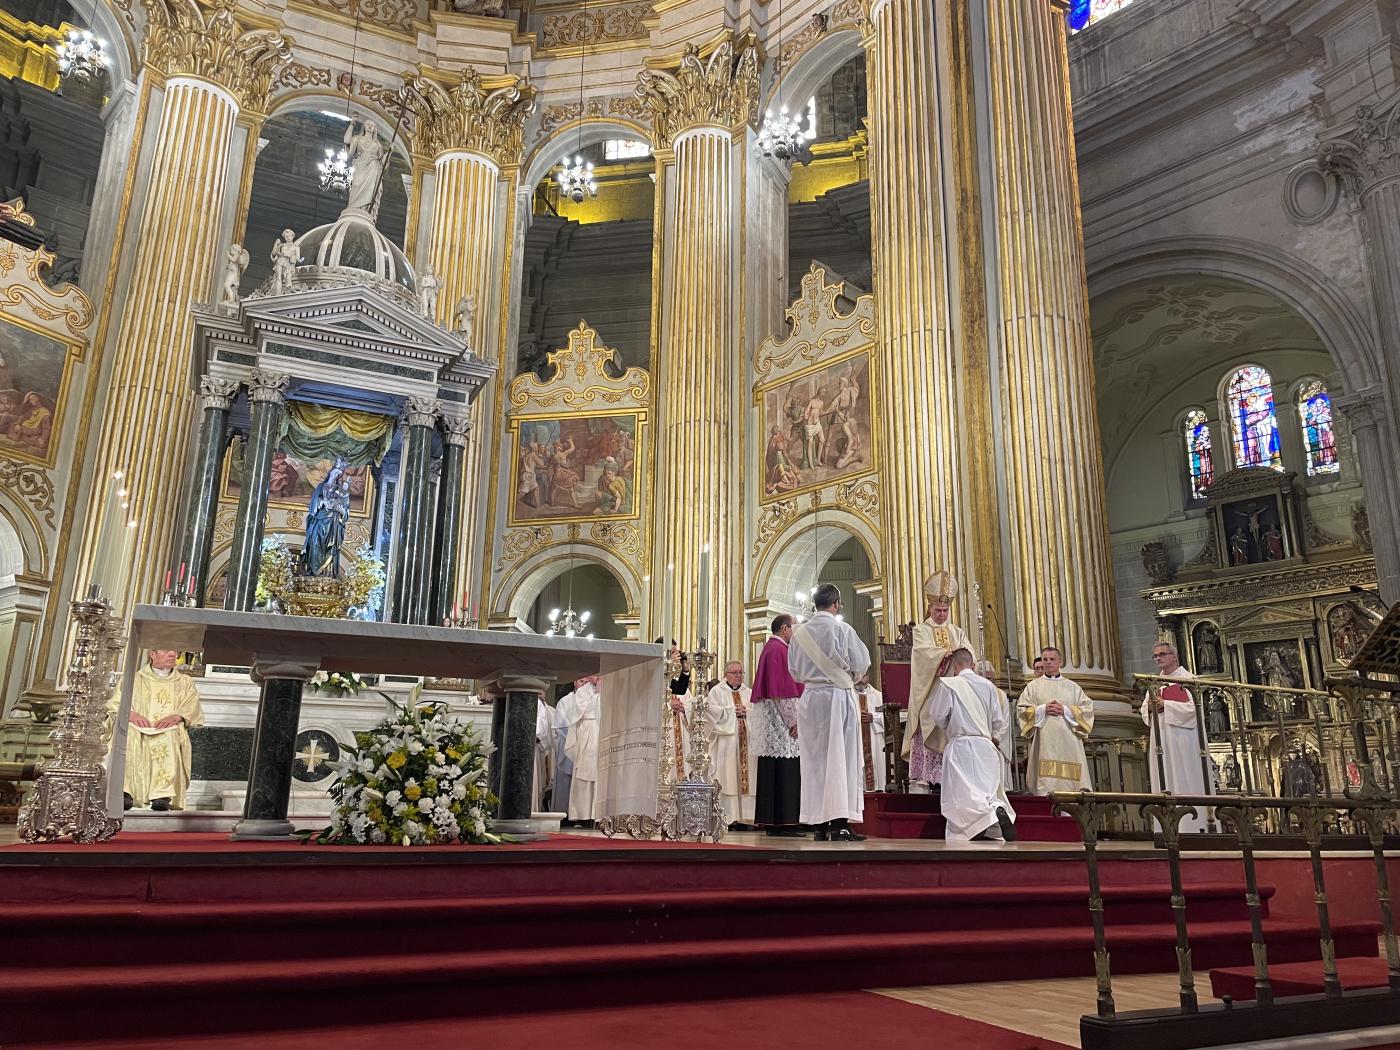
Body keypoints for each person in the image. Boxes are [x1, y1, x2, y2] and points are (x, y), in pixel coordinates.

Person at [788, 584, 872, 842]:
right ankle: (839, 824)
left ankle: (819, 825)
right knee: (841, 759)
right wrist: (853, 677)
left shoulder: (799, 635)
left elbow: (794, 671)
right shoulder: (842, 629)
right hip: (837, 697)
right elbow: (862, 663)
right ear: (835, 604)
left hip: (811, 699)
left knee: (815, 762)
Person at [931, 648, 1016, 843]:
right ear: (973, 665)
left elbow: (938, 715)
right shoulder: (988, 686)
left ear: (954, 666)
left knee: (962, 793)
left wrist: (951, 728)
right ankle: (996, 809)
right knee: (986, 790)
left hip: (961, 745)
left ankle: (974, 827)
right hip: (986, 746)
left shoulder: (949, 685)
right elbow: (997, 720)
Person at [904, 571, 973, 794]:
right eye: (938, 611)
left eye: (945, 611)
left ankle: (951, 778)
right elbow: (923, 655)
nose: (942, 615)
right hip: (930, 692)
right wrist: (944, 655)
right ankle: (925, 780)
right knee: (929, 720)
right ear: (930, 608)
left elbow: (969, 655)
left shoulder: (957, 631)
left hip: (956, 695)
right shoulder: (921, 630)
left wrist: (960, 655)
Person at [122, 649, 204, 811]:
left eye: (175, 651)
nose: (173, 655)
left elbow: (191, 704)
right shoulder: (134, 679)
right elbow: (117, 702)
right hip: (137, 727)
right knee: (129, 734)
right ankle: (126, 792)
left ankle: (162, 795)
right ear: (152, 654)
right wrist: (129, 713)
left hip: (170, 727)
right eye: (167, 651)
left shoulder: (185, 681)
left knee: (170, 734)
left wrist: (177, 716)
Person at [1143, 642, 1211, 832]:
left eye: (1162, 654)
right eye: (1155, 656)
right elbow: (1144, 709)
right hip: (1161, 735)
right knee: (1163, 776)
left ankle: (1193, 827)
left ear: (1174, 656)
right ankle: (1165, 829)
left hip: (1184, 738)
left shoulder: (1188, 679)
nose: (1158, 658)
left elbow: (1194, 710)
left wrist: (1166, 704)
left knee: (1185, 777)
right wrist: (1150, 707)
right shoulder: (1154, 681)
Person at [749, 615, 804, 836]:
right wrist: (794, 721)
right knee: (785, 771)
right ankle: (785, 823)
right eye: (794, 628)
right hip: (781, 724)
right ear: (784, 629)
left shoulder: (770, 648)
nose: (796, 633)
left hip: (774, 721)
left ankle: (772, 822)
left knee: (773, 770)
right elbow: (783, 691)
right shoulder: (779, 651)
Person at [1016, 646, 1094, 794]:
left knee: (1071, 787)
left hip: (1069, 744)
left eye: (1052, 659)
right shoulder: (1033, 687)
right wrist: (1042, 709)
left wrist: (1065, 710)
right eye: (1045, 659)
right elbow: (1022, 710)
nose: (1048, 662)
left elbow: (1088, 709)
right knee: (1047, 785)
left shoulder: (1073, 687)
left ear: (1060, 662)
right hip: (1045, 742)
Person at [698, 662, 755, 826]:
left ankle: (747, 818)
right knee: (728, 777)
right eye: (734, 672)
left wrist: (747, 713)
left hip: (746, 742)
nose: (738, 675)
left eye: (740, 672)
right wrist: (732, 711)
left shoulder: (749, 692)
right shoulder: (716, 692)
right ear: (726, 673)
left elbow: (756, 713)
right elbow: (711, 713)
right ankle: (729, 817)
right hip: (726, 742)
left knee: (747, 778)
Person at [560, 675, 601, 823]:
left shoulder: (608, 688)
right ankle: (582, 816)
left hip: (602, 733)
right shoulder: (582, 691)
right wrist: (597, 696)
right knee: (584, 775)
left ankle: (599, 815)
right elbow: (579, 712)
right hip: (587, 733)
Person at [976, 659, 1016, 792]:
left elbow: (1005, 721)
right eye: (985, 678)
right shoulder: (972, 693)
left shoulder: (1001, 694)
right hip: (979, 742)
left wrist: (996, 737)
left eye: (990, 678)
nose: (989, 682)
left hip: (996, 744)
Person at [855, 671, 887, 791]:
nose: (859, 680)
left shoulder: (879, 696)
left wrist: (873, 717)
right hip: (856, 740)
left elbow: (889, 717)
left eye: (863, 676)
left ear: (868, 676)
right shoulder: (849, 696)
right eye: (857, 676)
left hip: (874, 741)